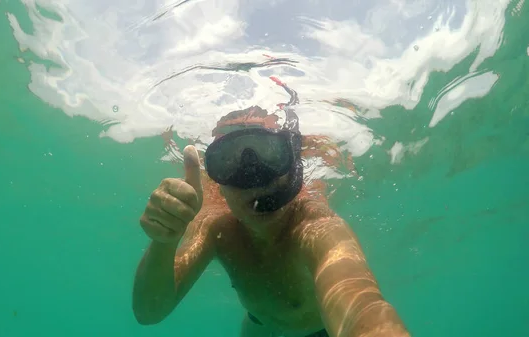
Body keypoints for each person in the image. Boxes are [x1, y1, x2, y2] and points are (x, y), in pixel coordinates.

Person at [132, 77, 410, 337]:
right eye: (227, 161)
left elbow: (362, 306)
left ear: (293, 164)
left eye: (271, 153)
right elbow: (149, 312)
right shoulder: (217, 230)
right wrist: (163, 242)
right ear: (217, 183)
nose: (253, 178)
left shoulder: (315, 228)